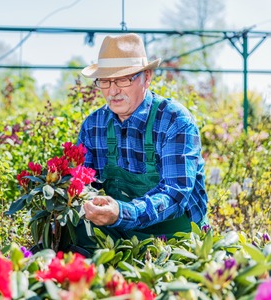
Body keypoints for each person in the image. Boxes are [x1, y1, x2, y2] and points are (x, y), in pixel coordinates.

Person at [75, 33, 209, 251]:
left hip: (175, 239)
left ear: (147, 77)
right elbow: (85, 185)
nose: (113, 90)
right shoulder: (93, 125)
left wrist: (122, 213)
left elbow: (175, 194)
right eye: (106, 81)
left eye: (123, 79)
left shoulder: (174, 121)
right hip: (117, 237)